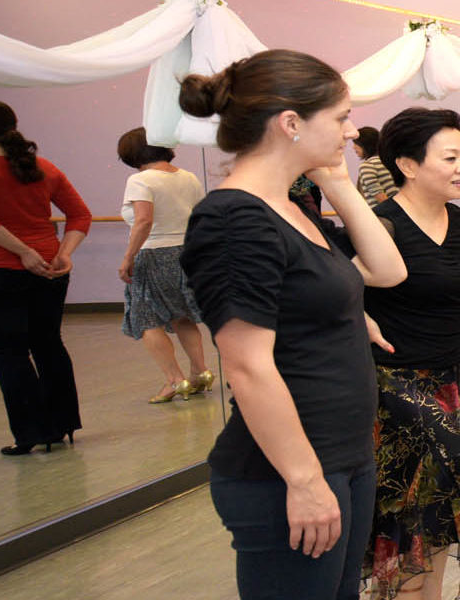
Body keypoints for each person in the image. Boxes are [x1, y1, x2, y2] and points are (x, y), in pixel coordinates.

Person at [177, 49, 407, 599]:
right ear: (290, 124)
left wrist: (337, 183)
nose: (351, 134)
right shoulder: (234, 218)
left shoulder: (289, 207)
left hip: (342, 456)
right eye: (341, 118)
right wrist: (303, 480)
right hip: (286, 471)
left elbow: (386, 270)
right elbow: (247, 365)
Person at [361, 107, 460, 599]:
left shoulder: (457, 219)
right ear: (407, 164)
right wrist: (360, 317)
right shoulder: (382, 222)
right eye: (451, 157)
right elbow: (327, 282)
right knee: (430, 499)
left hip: (448, 378)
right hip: (394, 383)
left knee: (438, 512)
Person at [0, 100, 91, 456]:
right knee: (48, 345)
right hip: (49, 271)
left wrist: (22, 253)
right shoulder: (42, 167)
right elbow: (80, 216)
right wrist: (63, 253)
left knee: (9, 353)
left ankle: (30, 432)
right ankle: (61, 425)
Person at [114, 127, 212, 405]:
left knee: (145, 318)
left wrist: (128, 258)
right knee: (182, 315)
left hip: (154, 253)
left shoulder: (140, 180)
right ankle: (200, 371)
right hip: (186, 252)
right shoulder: (188, 177)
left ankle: (174, 380)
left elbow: (143, 221)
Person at [355, 125, 398, 205]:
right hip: (400, 208)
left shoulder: (367, 166)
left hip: (382, 214)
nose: (354, 147)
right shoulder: (388, 161)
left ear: (364, 144)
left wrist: (393, 211)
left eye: (356, 144)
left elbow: (378, 193)